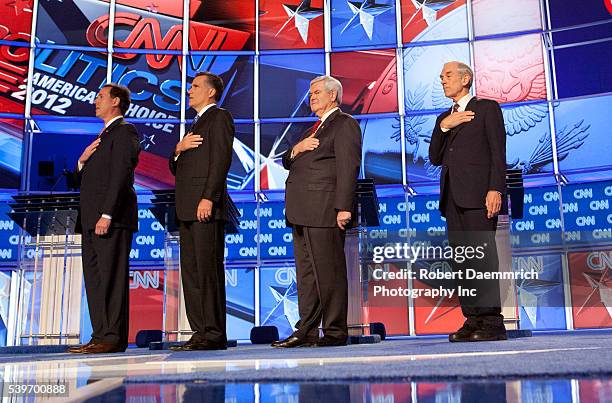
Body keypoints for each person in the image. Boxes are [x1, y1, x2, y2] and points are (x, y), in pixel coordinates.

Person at [272, 75, 362, 348]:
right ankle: (306, 331)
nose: (311, 97)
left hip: (325, 209)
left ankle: (335, 331)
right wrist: (296, 149)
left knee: (329, 273)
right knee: (307, 276)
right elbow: (287, 160)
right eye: (311, 93)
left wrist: (344, 207)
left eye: (317, 92)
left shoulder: (344, 124)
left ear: (333, 96)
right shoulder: (310, 130)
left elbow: (349, 167)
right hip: (301, 211)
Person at [428, 61, 507, 342]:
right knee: (461, 261)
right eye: (441, 76)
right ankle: (472, 319)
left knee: (482, 258)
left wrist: (495, 188)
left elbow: (498, 153)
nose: (443, 80)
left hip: (479, 196)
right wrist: (444, 126)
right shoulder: (444, 117)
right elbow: (435, 157)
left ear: (466, 78)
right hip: (452, 198)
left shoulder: (486, 108)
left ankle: (492, 322)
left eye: (447, 75)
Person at [68, 84, 140, 354]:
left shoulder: (124, 131)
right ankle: (100, 335)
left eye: (100, 97)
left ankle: (112, 337)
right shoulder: (103, 135)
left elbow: (120, 175)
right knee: (95, 279)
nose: (95, 101)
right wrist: (81, 161)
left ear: (116, 101)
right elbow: (84, 181)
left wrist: (107, 213)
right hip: (89, 219)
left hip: (110, 219)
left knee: (111, 278)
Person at [168, 72, 234, 351]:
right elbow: (176, 167)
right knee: (192, 274)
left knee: (207, 271)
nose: (189, 90)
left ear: (210, 93)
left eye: (195, 86)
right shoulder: (193, 125)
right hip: (186, 208)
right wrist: (178, 149)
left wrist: (209, 198)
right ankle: (200, 331)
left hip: (204, 207)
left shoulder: (219, 118)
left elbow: (221, 161)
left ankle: (214, 333)